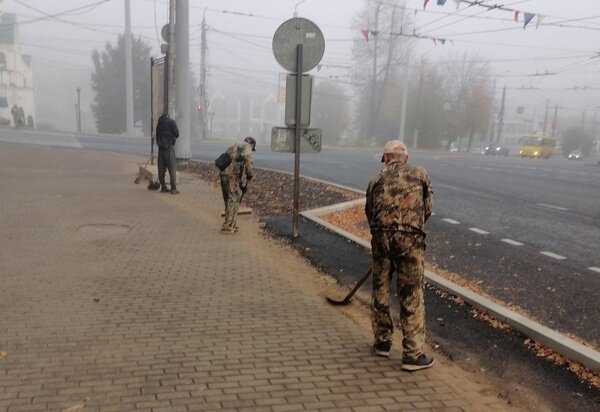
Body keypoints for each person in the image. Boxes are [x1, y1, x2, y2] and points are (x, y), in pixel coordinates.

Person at [365, 139, 434, 372]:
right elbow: (428, 209)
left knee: (380, 289)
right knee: (411, 294)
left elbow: (369, 211)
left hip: (381, 239)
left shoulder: (376, 179)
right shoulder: (420, 173)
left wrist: (384, 236)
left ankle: (382, 342)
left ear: (385, 158)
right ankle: (413, 354)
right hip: (410, 240)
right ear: (406, 157)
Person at [219, 136, 255, 234]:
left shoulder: (234, 145)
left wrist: (240, 184)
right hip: (231, 175)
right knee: (233, 200)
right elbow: (248, 160)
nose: (252, 150)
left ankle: (231, 224)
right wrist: (250, 174)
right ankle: (227, 226)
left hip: (223, 174)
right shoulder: (247, 147)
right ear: (251, 144)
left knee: (228, 198)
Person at [155, 112, 180, 194]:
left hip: (161, 148)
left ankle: (163, 187)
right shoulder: (171, 122)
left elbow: (157, 135)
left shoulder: (159, 123)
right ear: (168, 116)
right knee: (172, 168)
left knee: (161, 169)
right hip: (169, 148)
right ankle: (173, 188)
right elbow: (177, 134)